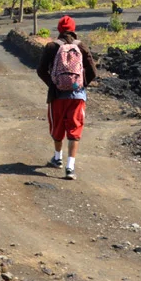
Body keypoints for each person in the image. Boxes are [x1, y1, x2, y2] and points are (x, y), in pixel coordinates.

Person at [36, 15, 97, 179]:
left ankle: (57, 158)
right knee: (74, 130)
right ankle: (70, 168)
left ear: (59, 30)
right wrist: (80, 85)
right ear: (74, 29)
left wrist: (54, 84)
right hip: (77, 96)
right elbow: (93, 71)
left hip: (57, 96)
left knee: (57, 127)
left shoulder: (51, 46)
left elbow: (41, 71)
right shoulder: (81, 46)